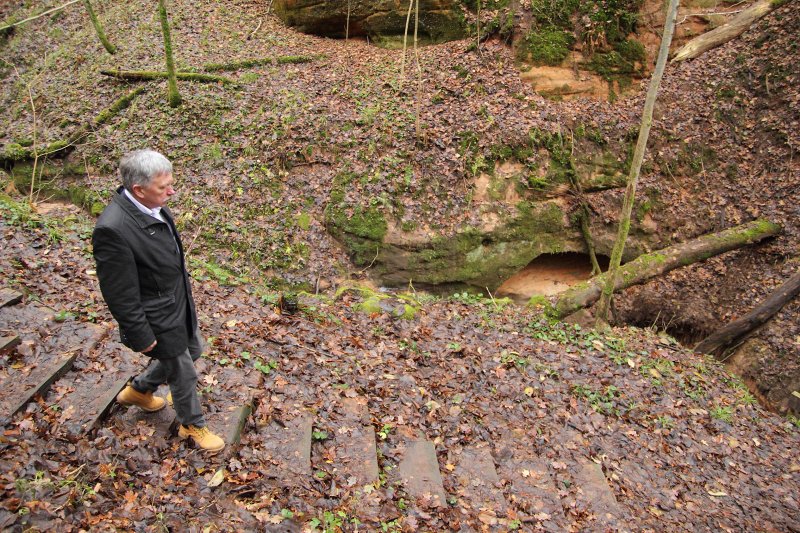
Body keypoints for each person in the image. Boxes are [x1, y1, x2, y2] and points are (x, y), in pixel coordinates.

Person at [92, 149, 224, 453]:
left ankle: (139, 390)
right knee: (183, 370)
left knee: (194, 349)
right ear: (139, 189)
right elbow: (118, 291)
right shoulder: (113, 229)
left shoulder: (153, 207)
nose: (172, 191)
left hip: (177, 304)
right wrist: (139, 332)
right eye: (164, 187)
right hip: (155, 316)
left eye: (171, 183)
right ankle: (192, 425)